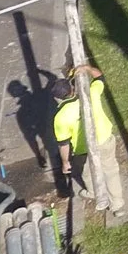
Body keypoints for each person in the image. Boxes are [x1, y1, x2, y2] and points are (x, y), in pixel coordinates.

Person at [50, 67, 115, 195]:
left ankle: (93, 193)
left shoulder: (60, 117)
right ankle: (117, 203)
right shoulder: (91, 94)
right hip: (105, 138)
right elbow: (99, 77)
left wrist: (65, 162)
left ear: (58, 98)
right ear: (72, 89)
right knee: (111, 170)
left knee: (87, 174)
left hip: (83, 149)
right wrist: (87, 68)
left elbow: (64, 144)